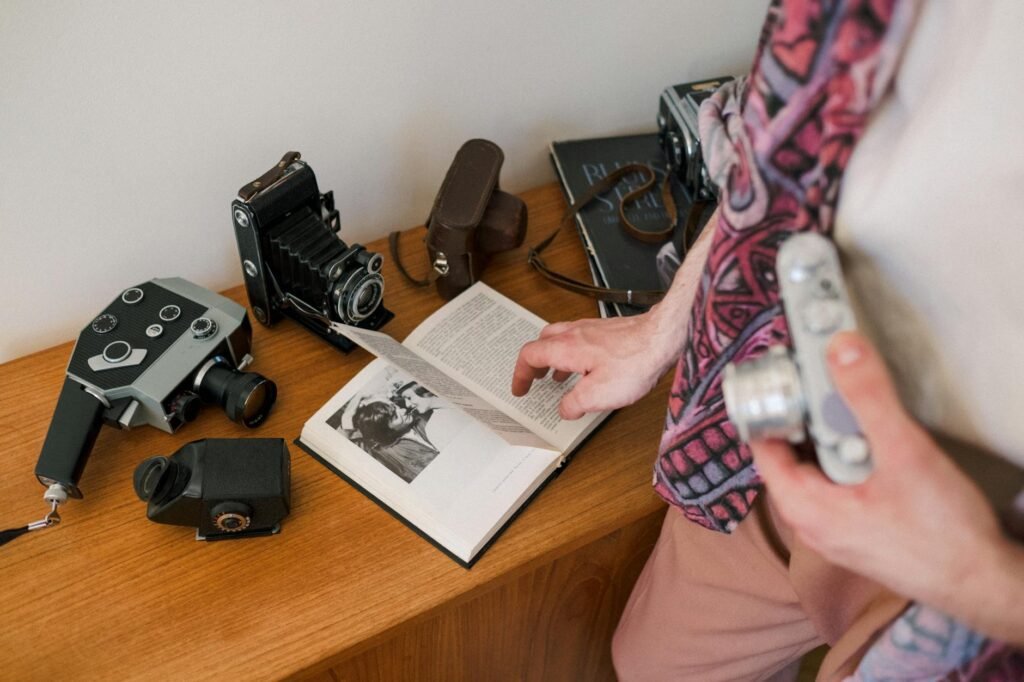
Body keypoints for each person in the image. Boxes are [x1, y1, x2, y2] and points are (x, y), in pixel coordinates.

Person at [511, 0, 1024, 679]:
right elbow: (790, 148)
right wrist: (664, 329)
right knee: (651, 665)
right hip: (768, 427)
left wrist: (977, 576)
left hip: (977, 565)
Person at [351, 397, 439, 483]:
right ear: (386, 431)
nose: (404, 410)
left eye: (397, 408)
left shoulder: (422, 418)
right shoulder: (392, 454)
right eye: (396, 416)